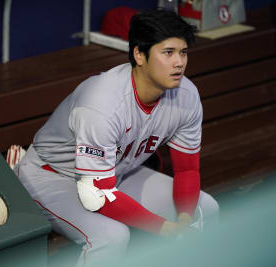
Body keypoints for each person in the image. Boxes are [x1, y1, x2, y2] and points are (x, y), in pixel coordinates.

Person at [13, 9, 219, 267]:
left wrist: (185, 220)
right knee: (112, 237)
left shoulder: (185, 95)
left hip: (114, 174)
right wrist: (165, 228)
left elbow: (188, 168)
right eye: (168, 52)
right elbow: (96, 195)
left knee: (205, 209)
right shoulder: (102, 103)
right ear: (139, 55)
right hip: (51, 176)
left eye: (183, 52)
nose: (179, 62)